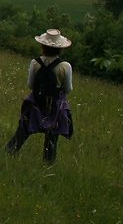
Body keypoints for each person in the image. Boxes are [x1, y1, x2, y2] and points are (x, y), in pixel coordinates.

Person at [6, 29, 74, 163]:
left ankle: (11, 151)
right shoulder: (65, 66)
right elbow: (68, 89)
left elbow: (30, 85)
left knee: (24, 129)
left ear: (43, 46)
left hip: (36, 102)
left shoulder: (35, 62)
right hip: (56, 105)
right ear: (60, 49)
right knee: (52, 136)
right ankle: (48, 162)